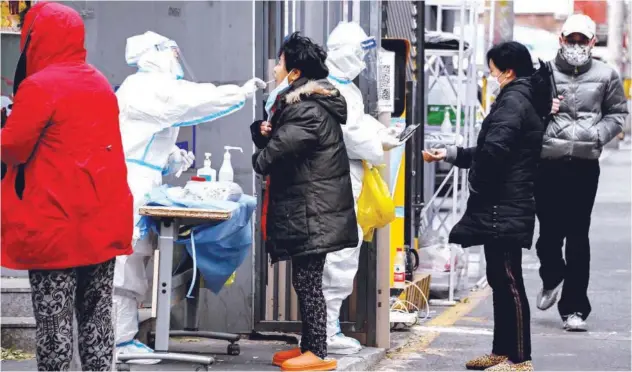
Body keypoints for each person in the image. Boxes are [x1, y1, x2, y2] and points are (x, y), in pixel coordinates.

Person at [113, 30, 266, 361]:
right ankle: (119, 342)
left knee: (134, 260)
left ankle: (123, 338)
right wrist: (237, 92)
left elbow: (146, 137)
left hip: (140, 180)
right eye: (171, 52)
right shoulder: (145, 87)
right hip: (128, 183)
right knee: (125, 264)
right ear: (156, 53)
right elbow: (190, 100)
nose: (176, 59)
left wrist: (170, 159)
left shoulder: (149, 87)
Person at [1, 2, 133, 371]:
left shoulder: (40, 86)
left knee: (54, 321)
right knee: (96, 315)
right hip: (101, 221)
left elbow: (13, 148)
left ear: (36, 38)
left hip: (55, 226)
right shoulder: (99, 82)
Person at [425, 41, 553, 371]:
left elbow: (494, 152)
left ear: (508, 71)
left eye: (493, 69)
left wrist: (478, 183)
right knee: (499, 279)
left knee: (509, 282)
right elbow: (489, 149)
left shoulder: (513, 101)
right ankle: (501, 351)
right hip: (505, 202)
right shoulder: (519, 98)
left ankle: (520, 360)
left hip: (505, 203)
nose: (491, 74)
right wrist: (452, 155)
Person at [251, 32, 358, 371]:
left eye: (280, 63)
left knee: (309, 283)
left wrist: (262, 149)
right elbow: (278, 140)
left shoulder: (307, 111)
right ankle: (310, 346)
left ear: (295, 73)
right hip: (311, 209)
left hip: (313, 212)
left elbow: (272, 157)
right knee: (305, 281)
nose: (275, 69)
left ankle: (319, 354)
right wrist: (262, 131)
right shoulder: (301, 105)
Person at [535, 14, 629, 331]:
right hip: (547, 163)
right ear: (561, 39)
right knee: (548, 235)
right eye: (570, 39)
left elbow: (618, 113)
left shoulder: (606, 75)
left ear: (592, 42)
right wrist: (542, 110)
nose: (576, 45)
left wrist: (597, 135)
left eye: (581, 40)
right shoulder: (542, 73)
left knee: (577, 236)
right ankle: (552, 276)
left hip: (585, 166)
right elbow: (521, 112)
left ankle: (574, 309)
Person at [322, 21, 403, 355]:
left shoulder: (347, 88)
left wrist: (381, 134)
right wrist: (378, 141)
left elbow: (359, 122)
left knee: (344, 255)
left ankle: (329, 328)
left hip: (348, 179)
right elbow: (351, 135)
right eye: (356, 54)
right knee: (336, 258)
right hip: (337, 180)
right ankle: (325, 331)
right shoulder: (328, 88)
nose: (360, 62)